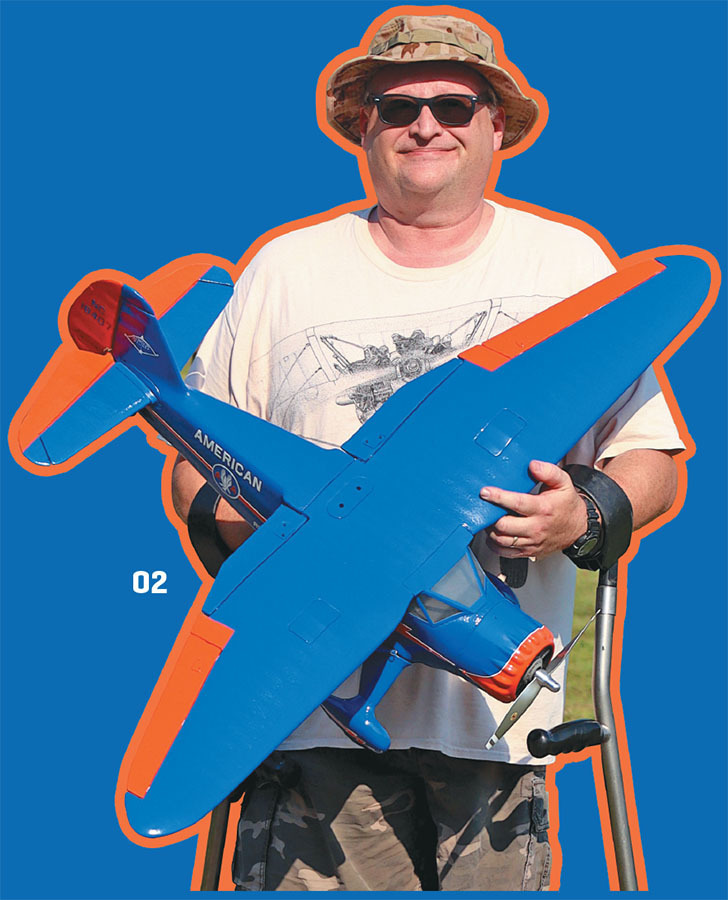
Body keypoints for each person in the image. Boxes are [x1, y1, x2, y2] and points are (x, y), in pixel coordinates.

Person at [172, 12, 682, 891]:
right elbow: (197, 465)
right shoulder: (283, 270)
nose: (426, 124)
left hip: (501, 725)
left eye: (455, 102)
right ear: (361, 126)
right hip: (309, 725)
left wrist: (581, 511)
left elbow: (652, 459)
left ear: (496, 126)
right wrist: (251, 541)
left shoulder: (568, 261)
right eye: (395, 104)